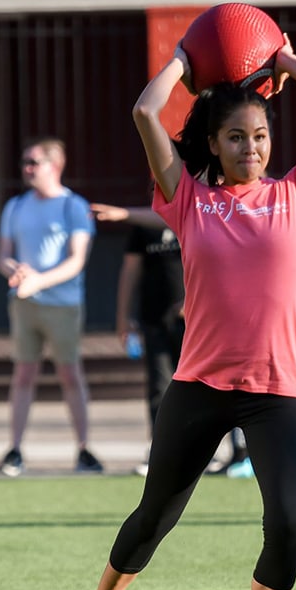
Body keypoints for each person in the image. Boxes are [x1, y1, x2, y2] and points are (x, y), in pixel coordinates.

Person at [65, 36, 296, 590]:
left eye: (259, 136)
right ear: (214, 145)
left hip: (277, 392)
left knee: (287, 524)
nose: (251, 147)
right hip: (199, 387)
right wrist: (184, 61)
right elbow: (145, 112)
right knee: (151, 522)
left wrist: (282, 60)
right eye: (235, 137)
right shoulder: (189, 201)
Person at [95, 202, 251, 478]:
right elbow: (131, 270)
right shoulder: (145, 227)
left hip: (201, 323)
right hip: (155, 320)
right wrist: (122, 317)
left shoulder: (202, 215)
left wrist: (196, 301)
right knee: (160, 387)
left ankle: (228, 452)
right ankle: (163, 452)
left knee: (214, 388)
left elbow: (221, 266)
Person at [0, 137, 103, 477]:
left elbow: (76, 261)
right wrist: (16, 271)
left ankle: (84, 449)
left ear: (54, 166)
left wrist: (38, 280)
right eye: (25, 162)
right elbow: (3, 256)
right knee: (23, 374)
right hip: (24, 304)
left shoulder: (73, 206)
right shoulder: (15, 206)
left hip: (64, 306)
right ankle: (15, 450)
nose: (27, 169)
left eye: (34, 162)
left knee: (70, 374)